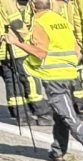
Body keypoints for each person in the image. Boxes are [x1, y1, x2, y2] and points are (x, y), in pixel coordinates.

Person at [4, 0, 83, 161]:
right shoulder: (60, 20)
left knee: (68, 116)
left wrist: (16, 43)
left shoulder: (40, 23)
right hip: (68, 74)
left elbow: (40, 53)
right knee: (60, 115)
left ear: (32, 6)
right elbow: (76, 48)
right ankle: (58, 150)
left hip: (54, 77)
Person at [1, 0, 47, 128]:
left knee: (12, 81)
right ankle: (42, 113)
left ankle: (21, 115)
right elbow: (16, 22)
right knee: (29, 79)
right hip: (16, 48)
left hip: (4, 50)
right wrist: (27, 36)